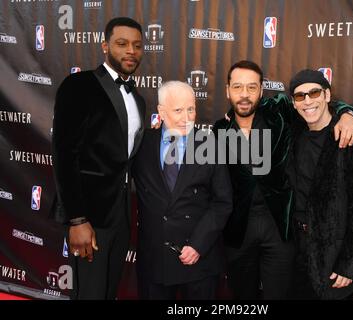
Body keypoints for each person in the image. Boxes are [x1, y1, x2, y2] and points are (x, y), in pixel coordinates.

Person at [213, 60, 353, 300]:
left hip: (280, 230)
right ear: (227, 90)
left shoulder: (278, 110)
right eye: (238, 87)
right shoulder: (218, 130)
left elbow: (317, 102)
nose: (244, 94)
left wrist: (347, 113)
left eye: (252, 88)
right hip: (237, 233)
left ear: (261, 91)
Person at [51, 17, 146, 299]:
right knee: (89, 293)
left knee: (107, 292)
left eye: (137, 45)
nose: (131, 50)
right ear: (105, 46)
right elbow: (64, 154)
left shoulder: (138, 100)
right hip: (89, 217)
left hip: (121, 216)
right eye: (122, 44)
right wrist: (77, 219)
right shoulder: (78, 85)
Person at [133, 81, 233, 300]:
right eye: (178, 110)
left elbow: (222, 201)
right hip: (154, 260)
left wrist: (198, 244)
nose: (187, 117)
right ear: (160, 111)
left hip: (200, 261)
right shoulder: (142, 144)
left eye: (191, 109)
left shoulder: (210, 144)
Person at [287, 69, 353, 299]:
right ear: (294, 103)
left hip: (332, 255)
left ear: (327, 96)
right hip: (293, 252)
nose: (307, 101)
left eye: (314, 93)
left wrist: (349, 263)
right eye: (300, 96)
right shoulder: (292, 134)